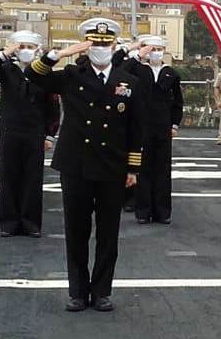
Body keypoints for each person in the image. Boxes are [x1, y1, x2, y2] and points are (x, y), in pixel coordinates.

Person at [32, 17, 145, 313]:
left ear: (114, 46)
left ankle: (102, 291)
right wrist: (59, 55)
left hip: (113, 166)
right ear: (85, 45)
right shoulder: (71, 74)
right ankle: (78, 292)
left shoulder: (128, 81)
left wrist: (133, 169)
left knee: (108, 233)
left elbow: (136, 127)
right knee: (77, 231)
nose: (100, 49)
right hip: (76, 164)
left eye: (105, 44)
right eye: (94, 43)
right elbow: (36, 77)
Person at [0, 30, 58, 238]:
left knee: (33, 178)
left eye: (30, 47)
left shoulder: (44, 72)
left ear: (38, 50)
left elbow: (53, 106)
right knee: (8, 175)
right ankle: (9, 223)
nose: (26, 51)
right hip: (10, 128)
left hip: (35, 130)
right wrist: (5, 53)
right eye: (22, 47)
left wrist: (50, 135)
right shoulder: (6, 69)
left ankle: (31, 223)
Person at [123, 35, 182, 224]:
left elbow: (178, 102)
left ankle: (162, 212)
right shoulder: (138, 69)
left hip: (163, 127)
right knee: (143, 169)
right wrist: (138, 55)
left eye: (158, 49)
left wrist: (174, 124)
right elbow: (121, 71)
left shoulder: (170, 73)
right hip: (142, 126)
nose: (155, 53)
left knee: (163, 170)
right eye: (152, 49)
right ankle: (143, 211)